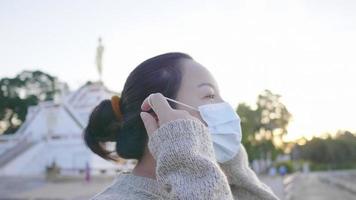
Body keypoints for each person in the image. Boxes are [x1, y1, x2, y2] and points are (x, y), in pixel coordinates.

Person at [84, 52, 279, 199]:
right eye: (209, 95)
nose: (226, 108)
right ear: (156, 113)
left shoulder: (216, 184)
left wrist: (235, 170)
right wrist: (184, 154)